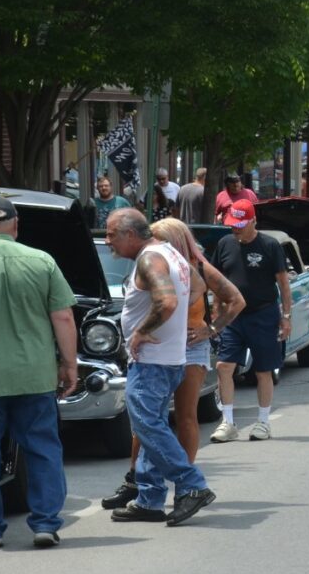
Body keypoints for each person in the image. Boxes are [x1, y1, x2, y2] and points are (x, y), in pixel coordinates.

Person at [0, 197, 77, 548]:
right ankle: (45, 523)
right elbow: (64, 317)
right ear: (16, 224)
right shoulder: (42, 262)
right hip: (33, 376)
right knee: (42, 448)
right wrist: (69, 365)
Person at [101, 218, 246, 510]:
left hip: (181, 350)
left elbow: (234, 300)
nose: (153, 237)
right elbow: (174, 300)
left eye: (158, 234)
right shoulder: (171, 260)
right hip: (170, 349)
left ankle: (188, 486)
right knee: (149, 423)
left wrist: (210, 328)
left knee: (171, 420)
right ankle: (146, 492)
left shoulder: (175, 261)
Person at [208, 200, 292, 443]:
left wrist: (286, 317)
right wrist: (216, 311)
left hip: (263, 314)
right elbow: (216, 280)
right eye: (233, 224)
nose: (235, 229)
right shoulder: (224, 244)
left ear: (253, 221)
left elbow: (283, 284)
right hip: (233, 316)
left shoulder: (269, 245)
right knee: (224, 366)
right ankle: (228, 422)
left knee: (263, 370)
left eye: (240, 225)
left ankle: (263, 422)